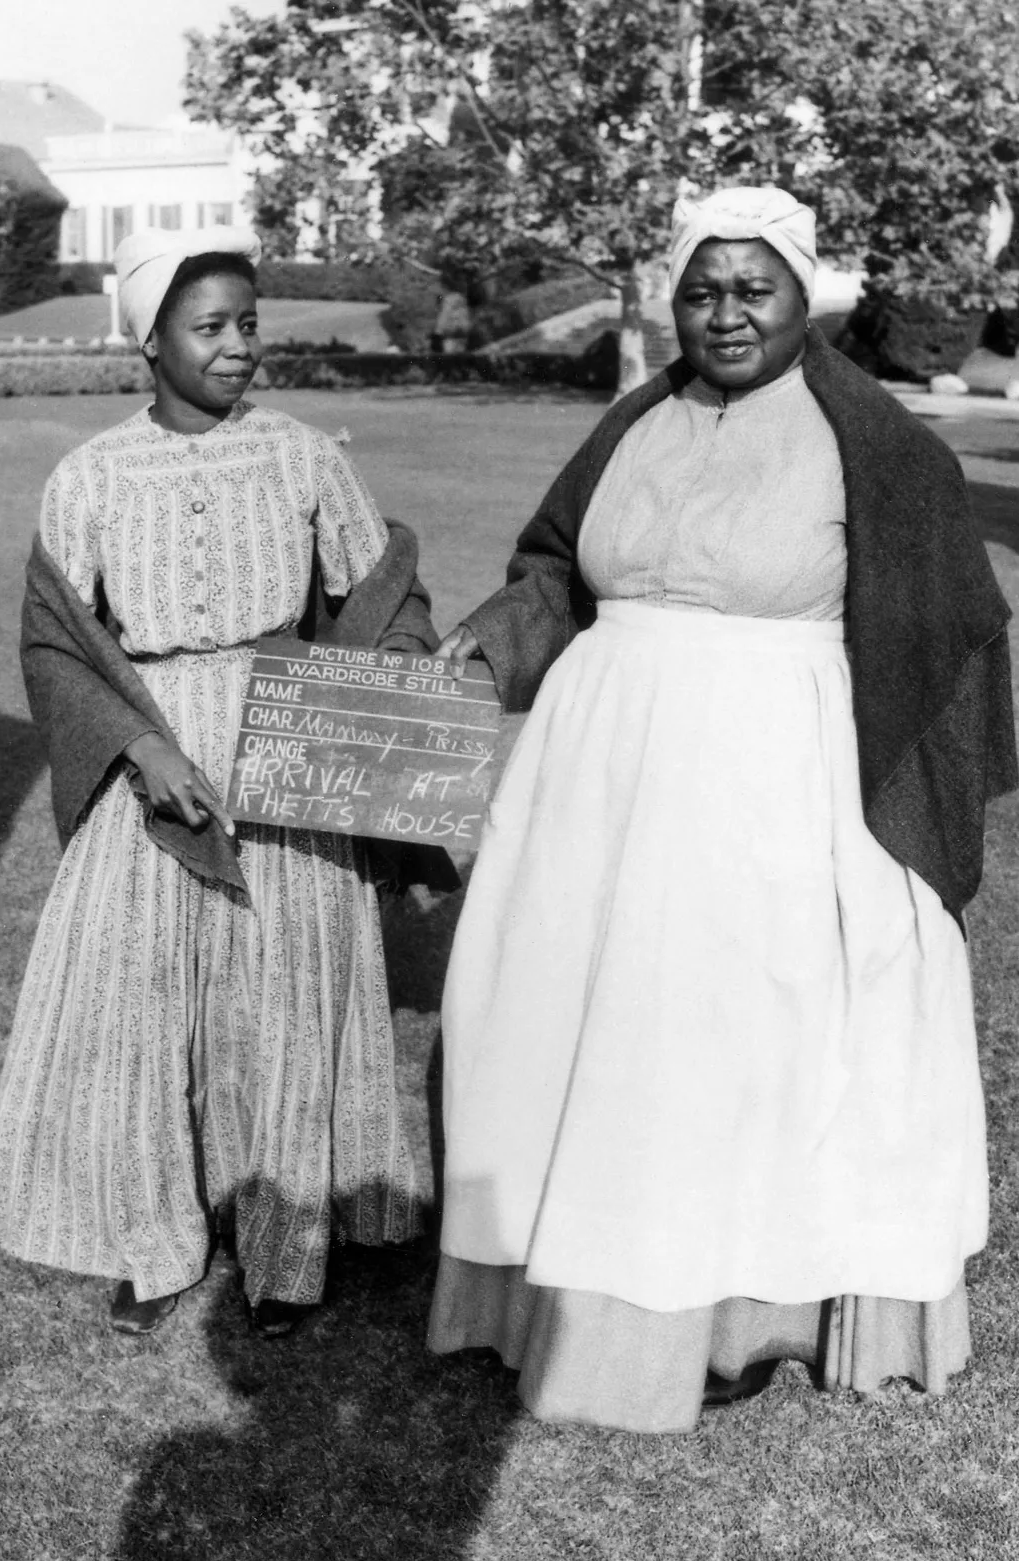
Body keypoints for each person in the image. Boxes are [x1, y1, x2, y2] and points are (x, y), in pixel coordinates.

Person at [427, 187, 1018, 1432]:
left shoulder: (882, 448)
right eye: (703, 290)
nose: (728, 314)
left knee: (735, 1039)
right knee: (571, 1021)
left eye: (756, 289)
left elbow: (955, 631)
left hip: (774, 779)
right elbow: (553, 569)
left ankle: (751, 1312)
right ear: (670, 300)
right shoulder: (631, 424)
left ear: (811, 297)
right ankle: (573, 1298)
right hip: (595, 778)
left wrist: (912, 796)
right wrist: (490, 646)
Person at [0, 226, 433, 1337]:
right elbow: (55, 641)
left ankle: (284, 1256)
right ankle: (158, 1240)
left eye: (248, 327)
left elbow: (380, 593)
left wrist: (399, 700)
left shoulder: (305, 455)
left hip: (282, 745)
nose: (236, 350)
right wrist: (139, 746)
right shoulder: (91, 475)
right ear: (149, 340)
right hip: (157, 751)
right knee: (143, 997)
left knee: (280, 993)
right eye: (208, 328)